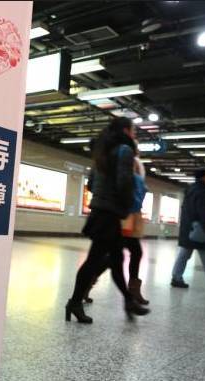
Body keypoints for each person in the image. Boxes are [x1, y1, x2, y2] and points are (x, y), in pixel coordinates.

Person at [66, 117, 150, 324]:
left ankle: (128, 301)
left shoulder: (103, 151)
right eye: (133, 131)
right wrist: (127, 205)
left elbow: (91, 184)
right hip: (110, 214)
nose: (134, 135)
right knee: (96, 261)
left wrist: (105, 194)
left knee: (114, 260)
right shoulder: (124, 150)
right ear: (125, 130)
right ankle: (75, 302)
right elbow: (124, 183)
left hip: (101, 212)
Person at [83, 143, 150, 305]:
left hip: (130, 214)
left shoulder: (132, 161)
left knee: (116, 255)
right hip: (124, 215)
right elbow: (125, 186)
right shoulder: (122, 159)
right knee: (123, 253)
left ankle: (87, 285)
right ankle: (130, 292)